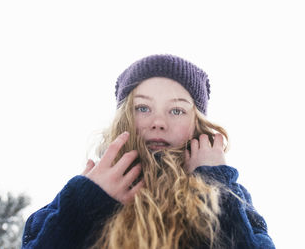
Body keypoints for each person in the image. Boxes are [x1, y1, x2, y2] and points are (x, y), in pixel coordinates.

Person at [21, 54, 275, 249]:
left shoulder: (229, 193)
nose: (158, 122)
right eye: (143, 108)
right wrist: (87, 205)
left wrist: (214, 186)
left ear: (196, 123)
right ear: (124, 116)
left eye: (176, 110)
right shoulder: (86, 191)